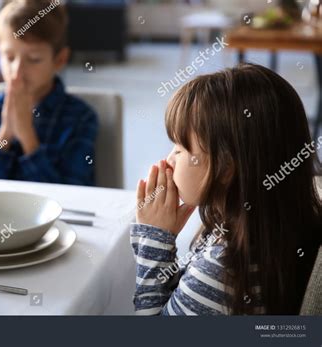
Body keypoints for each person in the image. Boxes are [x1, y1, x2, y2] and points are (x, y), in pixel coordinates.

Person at [131, 63, 322, 315]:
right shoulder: (281, 226)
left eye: (179, 149)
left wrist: (153, 238)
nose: (169, 160)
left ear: (225, 167)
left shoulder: (220, 273)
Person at [0, 0, 98, 185]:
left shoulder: (81, 118)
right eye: (10, 57)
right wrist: (5, 134)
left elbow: (73, 196)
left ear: (60, 60)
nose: (17, 70)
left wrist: (27, 137)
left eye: (34, 59)